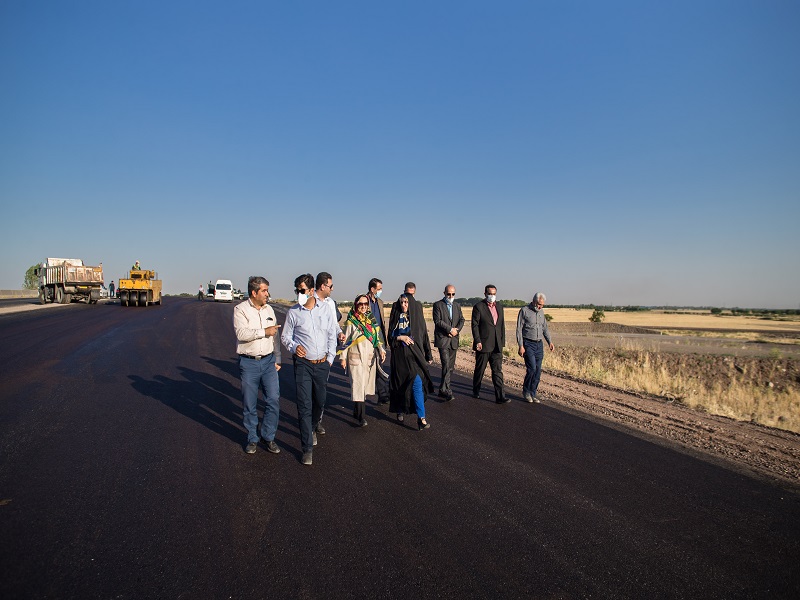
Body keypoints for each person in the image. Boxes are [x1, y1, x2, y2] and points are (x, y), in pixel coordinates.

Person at [281, 273, 338, 465]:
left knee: (319, 402)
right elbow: (285, 337)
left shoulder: (326, 309)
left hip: (322, 364)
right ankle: (307, 449)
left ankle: (313, 426)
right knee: (304, 405)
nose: (299, 293)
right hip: (303, 365)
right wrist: (294, 347)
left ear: (312, 290)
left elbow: (331, 334)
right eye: (297, 290)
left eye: (303, 290)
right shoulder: (293, 313)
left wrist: (330, 359)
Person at [233, 276, 282, 454]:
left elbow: (275, 335)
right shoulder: (240, 309)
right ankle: (252, 438)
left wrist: (278, 357)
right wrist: (264, 332)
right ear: (254, 293)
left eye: (267, 290)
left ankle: (268, 436)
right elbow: (241, 333)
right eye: (264, 290)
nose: (267, 294)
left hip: (269, 362)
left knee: (273, 399)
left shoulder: (269, 309)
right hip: (249, 363)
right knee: (250, 403)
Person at [339, 294, 386, 427]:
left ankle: (356, 410)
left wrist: (381, 350)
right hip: (356, 358)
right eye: (361, 304)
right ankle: (361, 417)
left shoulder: (371, 320)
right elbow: (345, 342)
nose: (364, 306)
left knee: (363, 387)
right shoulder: (351, 322)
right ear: (356, 305)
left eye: (366, 304)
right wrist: (342, 358)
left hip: (369, 359)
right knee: (358, 385)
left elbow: (377, 338)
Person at [388, 294, 434, 429]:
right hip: (400, 358)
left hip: (415, 357)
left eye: (406, 302)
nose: (404, 305)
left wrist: (428, 354)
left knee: (417, 384)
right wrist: (400, 337)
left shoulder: (416, 319)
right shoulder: (396, 317)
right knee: (401, 385)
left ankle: (421, 418)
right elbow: (390, 338)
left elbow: (424, 336)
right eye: (402, 302)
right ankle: (399, 410)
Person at [313, 271, 345, 436]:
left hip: (325, 354)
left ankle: (317, 421)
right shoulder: (309, 301)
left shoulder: (331, 303)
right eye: (330, 286)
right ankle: (309, 425)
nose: (332, 289)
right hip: (309, 353)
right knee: (308, 393)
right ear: (322, 286)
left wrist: (339, 332)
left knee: (321, 390)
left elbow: (333, 323)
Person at [471, 284, 507, 403]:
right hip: (484, 344)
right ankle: (476, 390)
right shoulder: (479, 307)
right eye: (490, 294)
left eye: (494, 294)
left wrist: (502, 342)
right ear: (485, 294)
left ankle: (500, 396)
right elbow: (475, 325)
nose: (492, 296)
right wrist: (477, 340)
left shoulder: (499, 307)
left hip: (497, 345)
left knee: (497, 371)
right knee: (480, 369)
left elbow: (501, 326)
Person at [517, 292, 555, 403]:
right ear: (534, 301)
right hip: (528, 343)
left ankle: (533, 393)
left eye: (542, 305)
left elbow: (545, 328)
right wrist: (521, 346)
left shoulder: (541, 312)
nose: (540, 307)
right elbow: (519, 329)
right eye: (539, 304)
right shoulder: (524, 311)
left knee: (538, 371)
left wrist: (550, 342)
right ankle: (526, 392)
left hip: (539, 344)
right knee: (532, 368)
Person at [432, 284, 464, 401]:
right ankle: (447, 391)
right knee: (446, 364)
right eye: (448, 294)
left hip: (454, 340)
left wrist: (456, 330)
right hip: (443, 339)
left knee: (450, 367)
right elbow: (438, 321)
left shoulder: (457, 305)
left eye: (453, 294)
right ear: (444, 293)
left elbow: (462, 319)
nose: (450, 296)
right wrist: (450, 330)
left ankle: (442, 389)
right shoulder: (438, 305)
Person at [366, 277, 390, 404]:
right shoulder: (364, 301)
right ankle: (361, 398)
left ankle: (382, 395)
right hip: (368, 339)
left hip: (380, 338)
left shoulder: (380, 302)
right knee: (369, 367)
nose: (381, 291)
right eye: (379, 289)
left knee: (380, 366)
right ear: (372, 289)